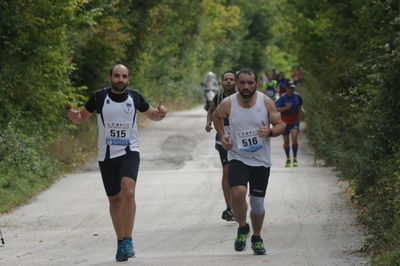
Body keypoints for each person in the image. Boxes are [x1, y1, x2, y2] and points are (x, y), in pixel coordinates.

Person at [67, 64, 167, 262]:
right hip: (107, 155)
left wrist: (162, 113)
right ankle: (121, 242)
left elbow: (153, 114)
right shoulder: (99, 97)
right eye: (117, 76)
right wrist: (74, 117)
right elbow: (81, 117)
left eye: (124, 76)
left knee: (128, 191)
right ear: (110, 77)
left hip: (130, 151)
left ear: (128, 79)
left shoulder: (135, 97)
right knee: (115, 199)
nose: (120, 80)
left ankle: (128, 239)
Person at [212, 68, 284, 255]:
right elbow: (216, 117)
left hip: (261, 160)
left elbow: (280, 125)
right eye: (242, 83)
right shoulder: (228, 103)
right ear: (237, 83)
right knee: (238, 193)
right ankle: (243, 226)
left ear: (256, 84)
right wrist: (223, 135)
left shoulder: (265, 102)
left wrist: (270, 132)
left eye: (249, 83)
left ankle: (257, 236)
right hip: (238, 157)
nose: (245, 87)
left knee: (258, 204)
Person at [205, 70, 236, 222]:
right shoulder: (217, 98)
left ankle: (239, 201)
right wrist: (208, 122)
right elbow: (211, 112)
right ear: (222, 82)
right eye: (226, 79)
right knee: (227, 171)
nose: (229, 81)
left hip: (239, 140)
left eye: (231, 79)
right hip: (222, 139)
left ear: (235, 82)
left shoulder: (241, 97)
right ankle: (229, 208)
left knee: (239, 171)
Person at [275, 81, 305, 167]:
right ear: (286, 89)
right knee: (286, 142)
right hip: (284, 121)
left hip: (295, 120)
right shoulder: (282, 97)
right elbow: (276, 109)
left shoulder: (298, 96)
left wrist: (302, 109)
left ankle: (295, 158)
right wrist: (285, 108)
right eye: (290, 88)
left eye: (293, 88)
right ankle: (288, 159)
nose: (292, 89)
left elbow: (300, 104)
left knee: (294, 139)